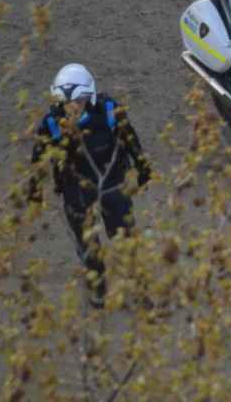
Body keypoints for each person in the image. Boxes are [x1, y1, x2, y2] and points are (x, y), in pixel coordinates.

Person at [27, 63, 152, 308]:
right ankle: (98, 284)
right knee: (87, 243)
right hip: (76, 188)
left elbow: (131, 140)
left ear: (89, 96)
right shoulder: (52, 123)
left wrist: (143, 169)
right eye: (66, 102)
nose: (73, 108)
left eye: (79, 101)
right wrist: (34, 190)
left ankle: (137, 287)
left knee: (125, 238)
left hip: (112, 182)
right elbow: (39, 159)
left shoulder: (109, 110)